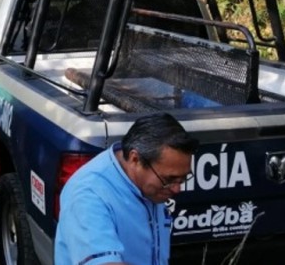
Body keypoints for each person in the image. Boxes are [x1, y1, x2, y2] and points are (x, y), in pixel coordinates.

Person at [54, 112, 199, 265]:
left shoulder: (149, 184)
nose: (177, 189)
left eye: (182, 179)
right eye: (169, 179)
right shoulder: (88, 194)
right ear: (135, 159)